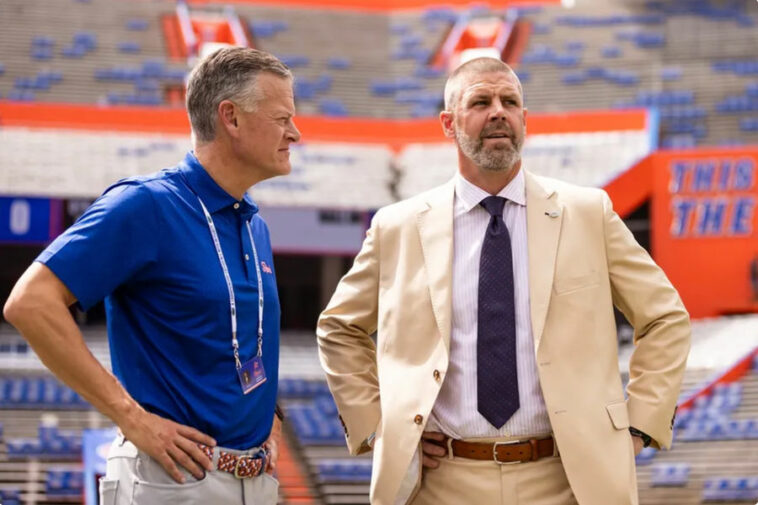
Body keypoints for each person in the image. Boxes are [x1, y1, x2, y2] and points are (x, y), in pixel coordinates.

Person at [316, 57, 690, 505]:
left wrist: (638, 425)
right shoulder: (397, 226)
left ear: (524, 120)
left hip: (569, 481)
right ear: (448, 124)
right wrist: (379, 428)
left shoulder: (589, 213)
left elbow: (665, 317)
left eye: (510, 101)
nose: (499, 111)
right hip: (439, 484)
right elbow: (339, 327)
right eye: (480, 101)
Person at [3, 47, 300, 505]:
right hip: (172, 483)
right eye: (282, 119)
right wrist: (130, 416)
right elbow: (30, 303)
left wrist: (271, 415)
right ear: (231, 118)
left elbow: (242, 338)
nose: (294, 134)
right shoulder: (147, 205)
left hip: (254, 481)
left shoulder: (252, 222)